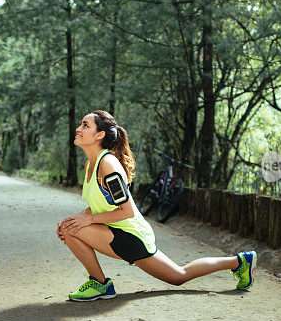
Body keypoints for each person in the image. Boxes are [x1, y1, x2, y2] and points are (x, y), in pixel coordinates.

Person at [57, 110, 257, 301]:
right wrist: (78, 219)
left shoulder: (107, 165)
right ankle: (240, 261)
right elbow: (102, 204)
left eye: (85, 125)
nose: (78, 128)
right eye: (80, 124)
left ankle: (100, 285)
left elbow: (126, 210)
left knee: (179, 276)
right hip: (115, 231)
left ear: (99, 135)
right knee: (178, 276)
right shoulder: (90, 164)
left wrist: (87, 220)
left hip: (132, 236)